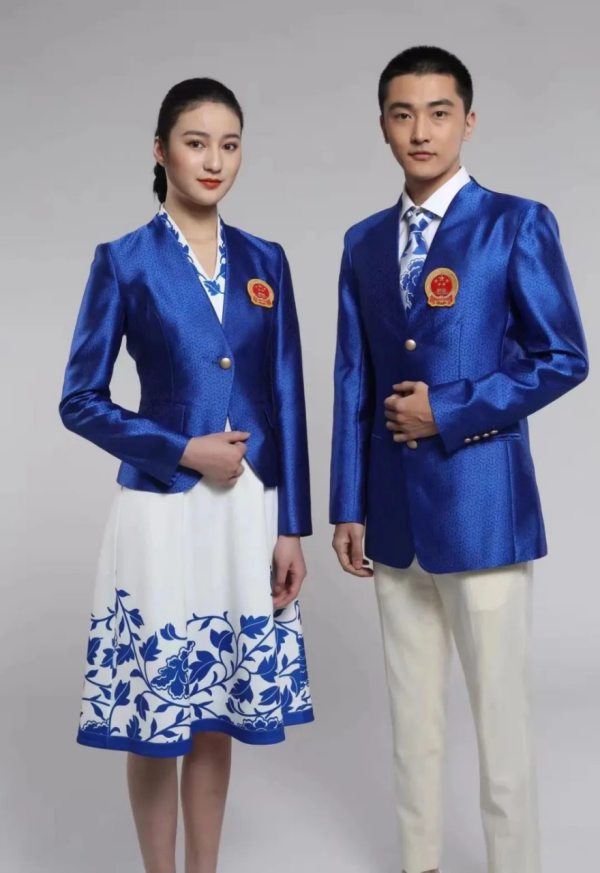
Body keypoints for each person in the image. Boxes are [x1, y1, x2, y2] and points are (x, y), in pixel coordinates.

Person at [329, 45, 588, 873]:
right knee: (413, 719)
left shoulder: (517, 223)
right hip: (392, 516)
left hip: (483, 509)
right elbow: (352, 381)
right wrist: (347, 503)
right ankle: (421, 863)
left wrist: (448, 409)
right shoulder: (364, 242)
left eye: (439, 113)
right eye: (403, 114)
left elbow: (563, 357)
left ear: (468, 122)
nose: (421, 131)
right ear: (382, 126)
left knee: (501, 722)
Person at [59, 77, 313, 873]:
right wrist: (180, 448)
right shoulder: (124, 261)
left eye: (229, 144)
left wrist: (292, 527)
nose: (214, 160)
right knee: (157, 714)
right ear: (161, 149)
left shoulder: (267, 260)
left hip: (247, 511)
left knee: (217, 709)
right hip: (164, 510)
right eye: (196, 142)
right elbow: (80, 400)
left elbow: (289, 397)